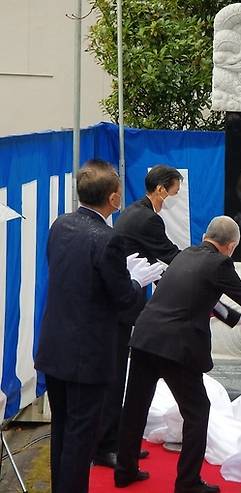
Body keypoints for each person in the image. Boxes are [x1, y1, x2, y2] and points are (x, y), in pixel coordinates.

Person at [114, 216, 241, 493]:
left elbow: (206, 297)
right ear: (231, 246)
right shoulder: (220, 263)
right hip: (176, 347)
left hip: (144, 338)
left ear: (206, 236)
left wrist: (239, 321)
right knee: (198, 412)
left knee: (136, 406)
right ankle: (188, 483)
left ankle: (124, 470)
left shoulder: (186, 255)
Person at [34, 160, 163, 493]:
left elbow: (76, 280)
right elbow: (124, 300)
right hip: (87, 354)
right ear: (114, 198)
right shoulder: (108, 239)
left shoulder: (60, 225)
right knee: (81, 437)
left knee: (62, 429)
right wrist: (137, 281)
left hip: (54, 345)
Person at [93, 164, 184, 469]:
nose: (177, 192)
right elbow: (170, 254)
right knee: (117, 376)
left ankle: (118, 442)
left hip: (126, 299)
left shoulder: (137, 211)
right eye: (175, 187)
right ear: (161, 189)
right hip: (123, 305)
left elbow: (153, 258)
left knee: (122, 374)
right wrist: (205, 265)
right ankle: (106, 447)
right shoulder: (147, 219)